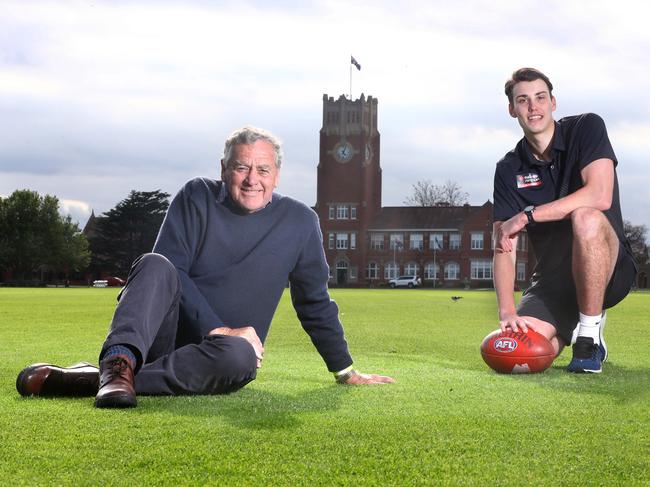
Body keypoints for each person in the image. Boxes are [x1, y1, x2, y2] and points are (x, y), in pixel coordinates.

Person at [17, 126, 394, 407]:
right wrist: (220, 327)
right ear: (223, 168)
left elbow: (314, 302)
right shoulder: (196, 195)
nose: (252, 180)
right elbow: (168, 273)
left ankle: (104, 379)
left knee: (241, 356)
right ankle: (119, 362)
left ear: (277, 175)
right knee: (155, 263)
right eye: (241, 167)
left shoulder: (299, 222)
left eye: (263, 170)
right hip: (160, 339)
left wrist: (344, 370)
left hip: (220, 358)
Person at [492, 68, 637, 374]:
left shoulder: (587, 127)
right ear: (512, 109)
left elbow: (599, 195)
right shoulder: (508, 168)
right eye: (523, 100)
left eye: (540, 97)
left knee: (585, 216)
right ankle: (572, 329)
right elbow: (504, 242)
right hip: (553, 280)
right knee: (518, 350)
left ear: (553, 102)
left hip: (610, 269)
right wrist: (506, 311)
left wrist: (528, 214)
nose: (534, 107)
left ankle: (588, 336)